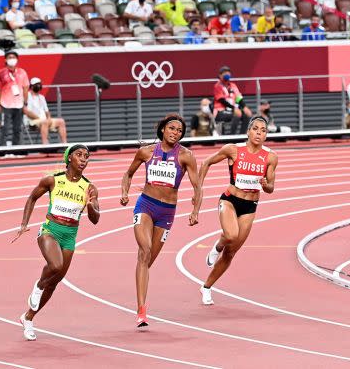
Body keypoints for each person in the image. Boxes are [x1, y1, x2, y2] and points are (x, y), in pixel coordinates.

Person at [119, 115, 202, 326]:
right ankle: (141, 311)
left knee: (148, 262)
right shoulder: (146, 152)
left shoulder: (186, 156)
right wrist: (125, 192)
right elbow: (128, 174)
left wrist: (195, 211)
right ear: (163, 129)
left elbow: (197, 186)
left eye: (179, 130)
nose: (175, 132)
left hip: (167, 212)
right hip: (146, 205)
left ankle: (141, 298)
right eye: (171, 128)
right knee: (144, 251)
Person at [12, 144, 100, 341]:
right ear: (69, 158)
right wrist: (24, 224)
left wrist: (90, 206)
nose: (84, 159)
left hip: (70, 236)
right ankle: (38, 286)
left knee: (55, 281)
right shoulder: (53, 180)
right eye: (79, 155)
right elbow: (32, 197)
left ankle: (28, 318)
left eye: (87, 156)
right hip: (50, 230)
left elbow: (95, 220)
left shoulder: (90, 187)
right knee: (55, 265)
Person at [197, 117, 278, 305]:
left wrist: (266, 185)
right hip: (230, 200)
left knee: (231, 252)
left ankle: (206, 287)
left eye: (263, 130)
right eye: (256, 129)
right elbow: (206, 162)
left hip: (250, 207)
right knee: (231, 235)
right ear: (248, 132)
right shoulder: (233, 150)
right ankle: (218, 245)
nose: (259, 133)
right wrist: (198, 189)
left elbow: (271, 187)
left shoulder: (271, 157)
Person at [0, 50, 30, 146]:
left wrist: (25, 104)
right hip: (5, 104)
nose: (12, 59)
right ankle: (2, 150)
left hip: (19, 105)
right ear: (6, 60)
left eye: (13, 57)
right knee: (5, 128)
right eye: (9, 57)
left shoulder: (22, 72)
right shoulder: (1, 73)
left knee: (17, 129)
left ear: (17, 60)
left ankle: (17, 149)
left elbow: (26, 88)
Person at [24, 78, 68, 144]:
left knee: (61, 121)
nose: (38, 86)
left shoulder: (42, 97)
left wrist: (49, 118)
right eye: (37, 84)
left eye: (39, 84)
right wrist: (40, 119)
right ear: (32, 86)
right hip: (32, 122)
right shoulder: (27, 96)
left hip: (44, 121)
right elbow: (27, 112)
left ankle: (65, 144)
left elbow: (46, 111)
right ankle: (45, 144)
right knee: (45, 122)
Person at [212, 65, 251, 134]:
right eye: (225, 72)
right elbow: (222, 100)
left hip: (232, 110)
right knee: (237, 114)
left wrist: (244, 107)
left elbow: (238, 97)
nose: (227, 74)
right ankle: (232, 136)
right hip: (220, 112)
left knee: (246, 114)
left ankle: (242, 136)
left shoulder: (233, 85)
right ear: (220, 75)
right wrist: (234, 109)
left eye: (228, 72)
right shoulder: (217, 86)